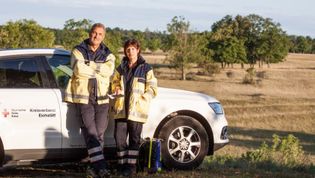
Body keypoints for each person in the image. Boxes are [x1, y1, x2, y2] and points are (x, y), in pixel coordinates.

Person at [64, 23, 115, 178]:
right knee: (91, 133)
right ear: (89, 33)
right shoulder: (78, 50)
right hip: (84, 98)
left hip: (102, 99)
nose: (96, 36)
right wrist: (98, 68)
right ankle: (101, 167)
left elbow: (109, 71)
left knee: (99, 134)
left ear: (103, 36)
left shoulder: (108, 53)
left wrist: (89, 66)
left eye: (100, 34)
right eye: (94, 33)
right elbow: (78, 70)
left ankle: (93, 167)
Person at [110, 39, 158, 177]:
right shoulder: (121, 67)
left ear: (138, 50)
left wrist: (144, 98)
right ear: (125, 51)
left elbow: (153, 87)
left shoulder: (146, 68)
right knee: (119, 139)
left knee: (134, 140)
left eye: (133, 49)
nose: (130, 51)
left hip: (137, 110)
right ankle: (121, 165)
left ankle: (130, 168)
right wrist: (116, 88)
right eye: (128, 49)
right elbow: (114, 82)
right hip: (121, 110)